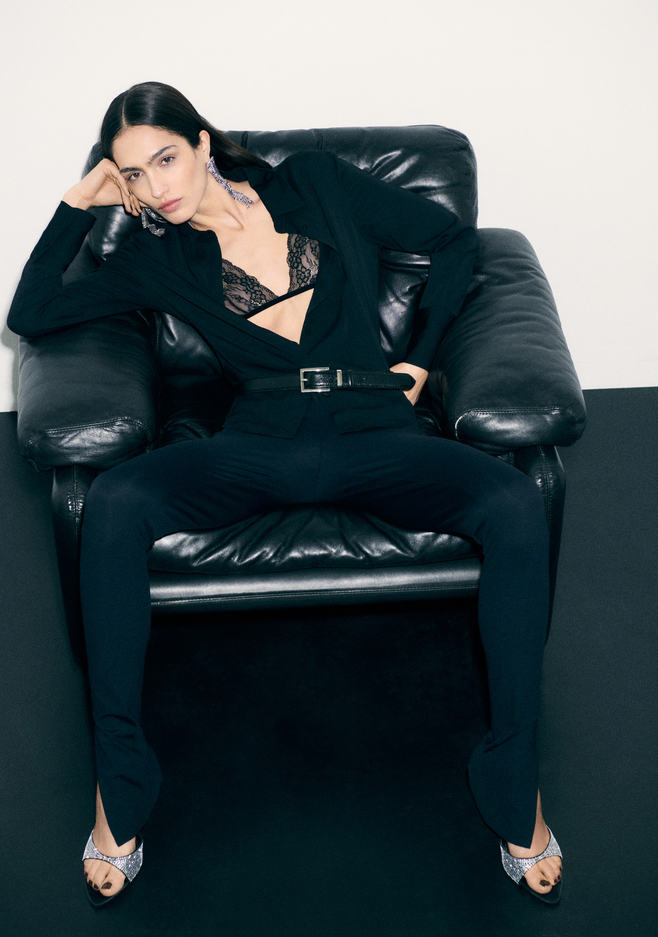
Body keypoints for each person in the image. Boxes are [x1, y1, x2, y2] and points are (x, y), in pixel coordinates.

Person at [8, 82, 563, 906]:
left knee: (514, 503)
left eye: (166, 157)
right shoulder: (159, 259)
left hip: (376, 428)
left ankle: (515, 785)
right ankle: (118, 790)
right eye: (135, 175)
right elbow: (33, 310)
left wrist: (423, 353)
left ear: (203, 143)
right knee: (115, 503)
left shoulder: (313, 182)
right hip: (258, 441)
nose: (157, 186)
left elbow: (452, 238)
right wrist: (77, 202)